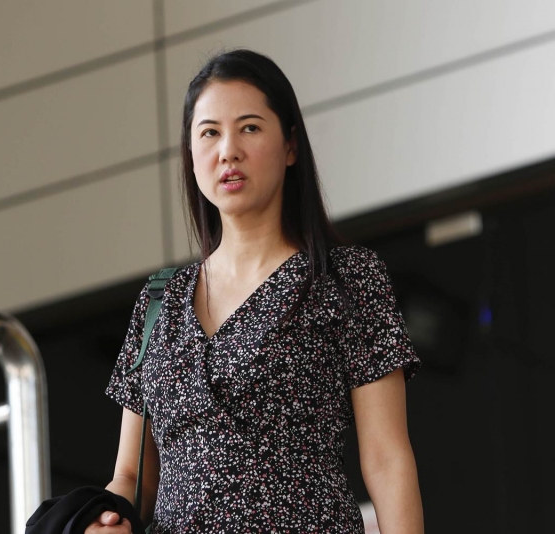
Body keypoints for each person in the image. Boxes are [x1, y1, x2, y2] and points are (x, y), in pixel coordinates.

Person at [88, 49, 424, 533]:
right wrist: (106, 517)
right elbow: (131, 475)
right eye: (209, 133)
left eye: (249, 128)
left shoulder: (346, 277)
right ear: (190, 154)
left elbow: (387, 460)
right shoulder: (159, 300)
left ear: (290, 146)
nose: (228, 150)